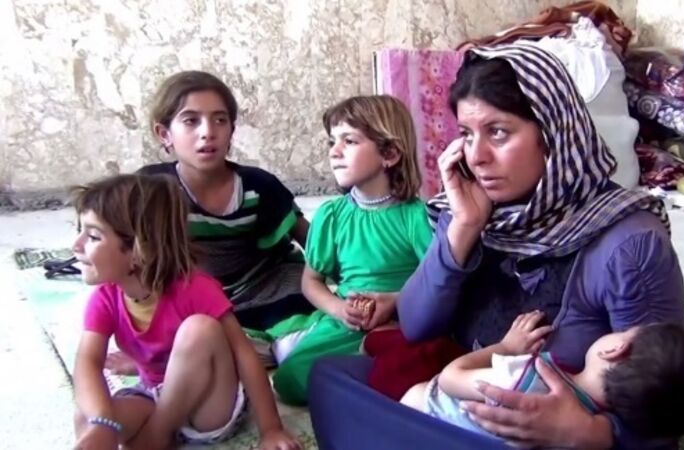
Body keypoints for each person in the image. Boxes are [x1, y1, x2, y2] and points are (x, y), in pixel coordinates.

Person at [309, 42, 684, 450]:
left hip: (539, 434)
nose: (477, 157)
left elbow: (667, 402)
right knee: (330, 379)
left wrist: (586, 433)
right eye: (466, 135)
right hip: (468, 391)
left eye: (499, 132)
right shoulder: (472, 210)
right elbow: (417, 327)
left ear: (552, 133)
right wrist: (464, 228)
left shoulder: (629, 244)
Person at [71, 174, 299, 450]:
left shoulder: (195, 288)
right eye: (80, 231)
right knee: (86, 416)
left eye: (93, 236)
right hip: (153, 395)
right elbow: (87, 362)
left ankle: (158, 433)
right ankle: (153, 431)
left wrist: (271, 429)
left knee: (199, 329)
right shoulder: (105, 298)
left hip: (208, 406)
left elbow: (244, 355)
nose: (76, 246)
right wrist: (102, 422)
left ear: (140, 249)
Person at [264, 95, 433, 406]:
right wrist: (339, 309)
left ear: (390, 153)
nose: (334, 151)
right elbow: (311, 281)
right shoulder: (331, 216)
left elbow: (435, 282)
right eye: (332, 141)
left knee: (422, 365)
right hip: (346, 323)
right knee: (289, 380)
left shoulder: (416, 217)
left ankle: (368, 374)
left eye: (349, 141)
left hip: (402, 324)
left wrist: (395, 302)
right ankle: (363, 374)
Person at [138, 70, 312, 331]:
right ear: (164, 134)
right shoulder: (150, 189)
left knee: (300, 343)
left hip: (272, 289)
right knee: (188, 342)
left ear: (232, 130)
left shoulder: (258, 185)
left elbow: (315, 243)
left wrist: (356, 290)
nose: (208, 132)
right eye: (191, 121)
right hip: (196, 301)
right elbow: (123, 252)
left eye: (220, 120)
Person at [402, 311, 684, 444]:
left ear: (616, 349)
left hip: (421, 418)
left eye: (624, 330)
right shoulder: (601, 423)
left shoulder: (526, 380)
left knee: (415, 380)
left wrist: (506, 347)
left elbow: (451, 378)